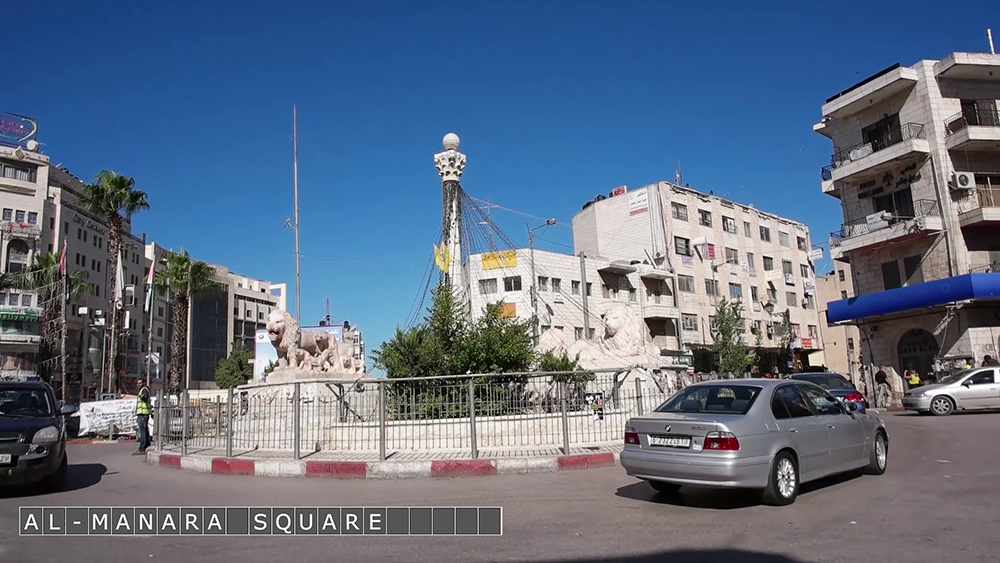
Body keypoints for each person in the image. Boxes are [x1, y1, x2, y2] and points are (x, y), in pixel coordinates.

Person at [133, 384, 152, 456]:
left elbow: (145, 397)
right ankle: (147, 445)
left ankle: (142, 448)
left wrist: (141, 396)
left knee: (142, 430)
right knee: (144, 429)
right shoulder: (143, 390)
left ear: (143, 383)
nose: (138, 384)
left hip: (143, 413)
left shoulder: (144, 389)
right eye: (137, 383)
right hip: (143, 413)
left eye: (140, 383)